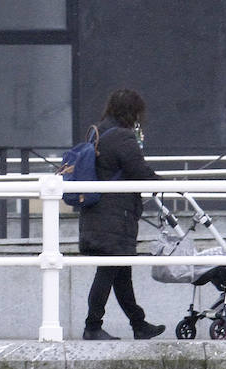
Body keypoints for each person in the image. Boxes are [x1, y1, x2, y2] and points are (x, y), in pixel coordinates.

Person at [77, 88, 166, 341]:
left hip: (98, 215)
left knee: (121, 274)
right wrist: (165, 184)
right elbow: (138, 171)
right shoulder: (122, 138)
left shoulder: (99, 130)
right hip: (115, 218)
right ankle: (92, 326)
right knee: (108, 272)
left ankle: (139, 324)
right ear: (132, 111)